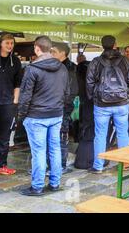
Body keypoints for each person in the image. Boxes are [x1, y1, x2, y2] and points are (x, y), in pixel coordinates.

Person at [18, 36, 68, 196]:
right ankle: (55, 183)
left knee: (39, 152)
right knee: (55, 148)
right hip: (56, 114)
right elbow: (66, 93)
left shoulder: (32, 69)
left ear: (36, 48)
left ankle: (37, 186)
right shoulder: (62, 68)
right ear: (50, 48)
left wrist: (21, 116)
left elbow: (25, 96)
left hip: (36, 116)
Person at [86, 36, 129, 174]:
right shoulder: (126, 61)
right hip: (122, 103)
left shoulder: (96, 62)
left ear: (102, 45)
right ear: (116, 44)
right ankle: (124, 163)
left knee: (100, 135)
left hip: (101, 104)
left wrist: (93, 98)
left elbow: (89, 82)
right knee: (122, 133)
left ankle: (98, 166)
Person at [50, 43, 78, 173]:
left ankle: (61, 164)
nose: (51, 54)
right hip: (55, 106)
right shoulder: (55, 65)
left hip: (63, 107)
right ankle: (55, 164)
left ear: (62, 53)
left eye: (54, 51)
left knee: (61, 135)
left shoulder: (70, 68)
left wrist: (60, 103)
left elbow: (72, 91)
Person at [0, 33, 22, 176]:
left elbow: (18, 83)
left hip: (7, 103)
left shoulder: (15, 61)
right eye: (7, 43)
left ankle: (2, 165)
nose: (10, 46)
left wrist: (15, 100)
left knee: (4, 136)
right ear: (0, 43)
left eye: (12, 43)